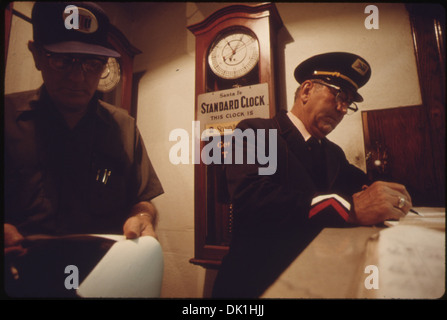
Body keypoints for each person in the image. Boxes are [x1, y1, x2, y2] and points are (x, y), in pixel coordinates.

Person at [212, 52, 413, 298]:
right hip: (255, 284)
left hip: (317, 279)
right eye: (338, 95)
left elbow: (366, 187)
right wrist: (348, 209)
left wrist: (391, 196)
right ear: (306, 91)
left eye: (348, 103)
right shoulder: (255, 131)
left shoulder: (332, 152)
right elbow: (252, 197)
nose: (341, 109)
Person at [4, 2, 163, 297]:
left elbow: (142, 200)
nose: (78, 78)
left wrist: (143, 218)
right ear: (37, 54)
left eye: (92, 63)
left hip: (104, 283)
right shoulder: (5, 118)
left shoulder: (124, 127)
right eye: (61, 60)